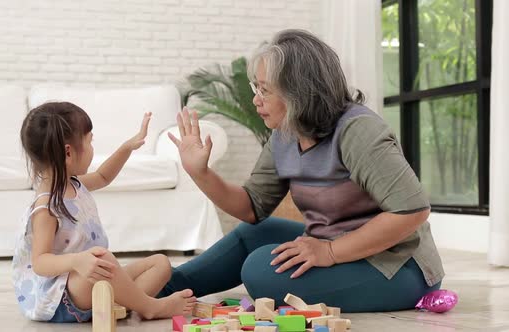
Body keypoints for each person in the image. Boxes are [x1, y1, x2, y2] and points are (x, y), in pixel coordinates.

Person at [161, 29, 444, 312]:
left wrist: (330, 252)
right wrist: (201, 173)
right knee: (256, 233)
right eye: (255, 88)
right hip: (335, 246)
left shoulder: (358, 130)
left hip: (396, 264)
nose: (256, 100)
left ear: (299, 91)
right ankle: (163, 286)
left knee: (260, 271)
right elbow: (252, 207)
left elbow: (411, 211)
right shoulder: (285, 133)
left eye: (264, 90)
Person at [12, 102, 196, 322]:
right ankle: (150, 307)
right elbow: (41, 262)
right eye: (90, 142)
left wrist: (127, 147)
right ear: (68, 153)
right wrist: (76, 261)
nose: (92, 149)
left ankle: (118, 304)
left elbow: (103, 177)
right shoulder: (46, 208)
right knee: (102, 257)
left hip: (92, 278)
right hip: (59, 297)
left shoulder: (73, 184)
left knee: (160, 263)